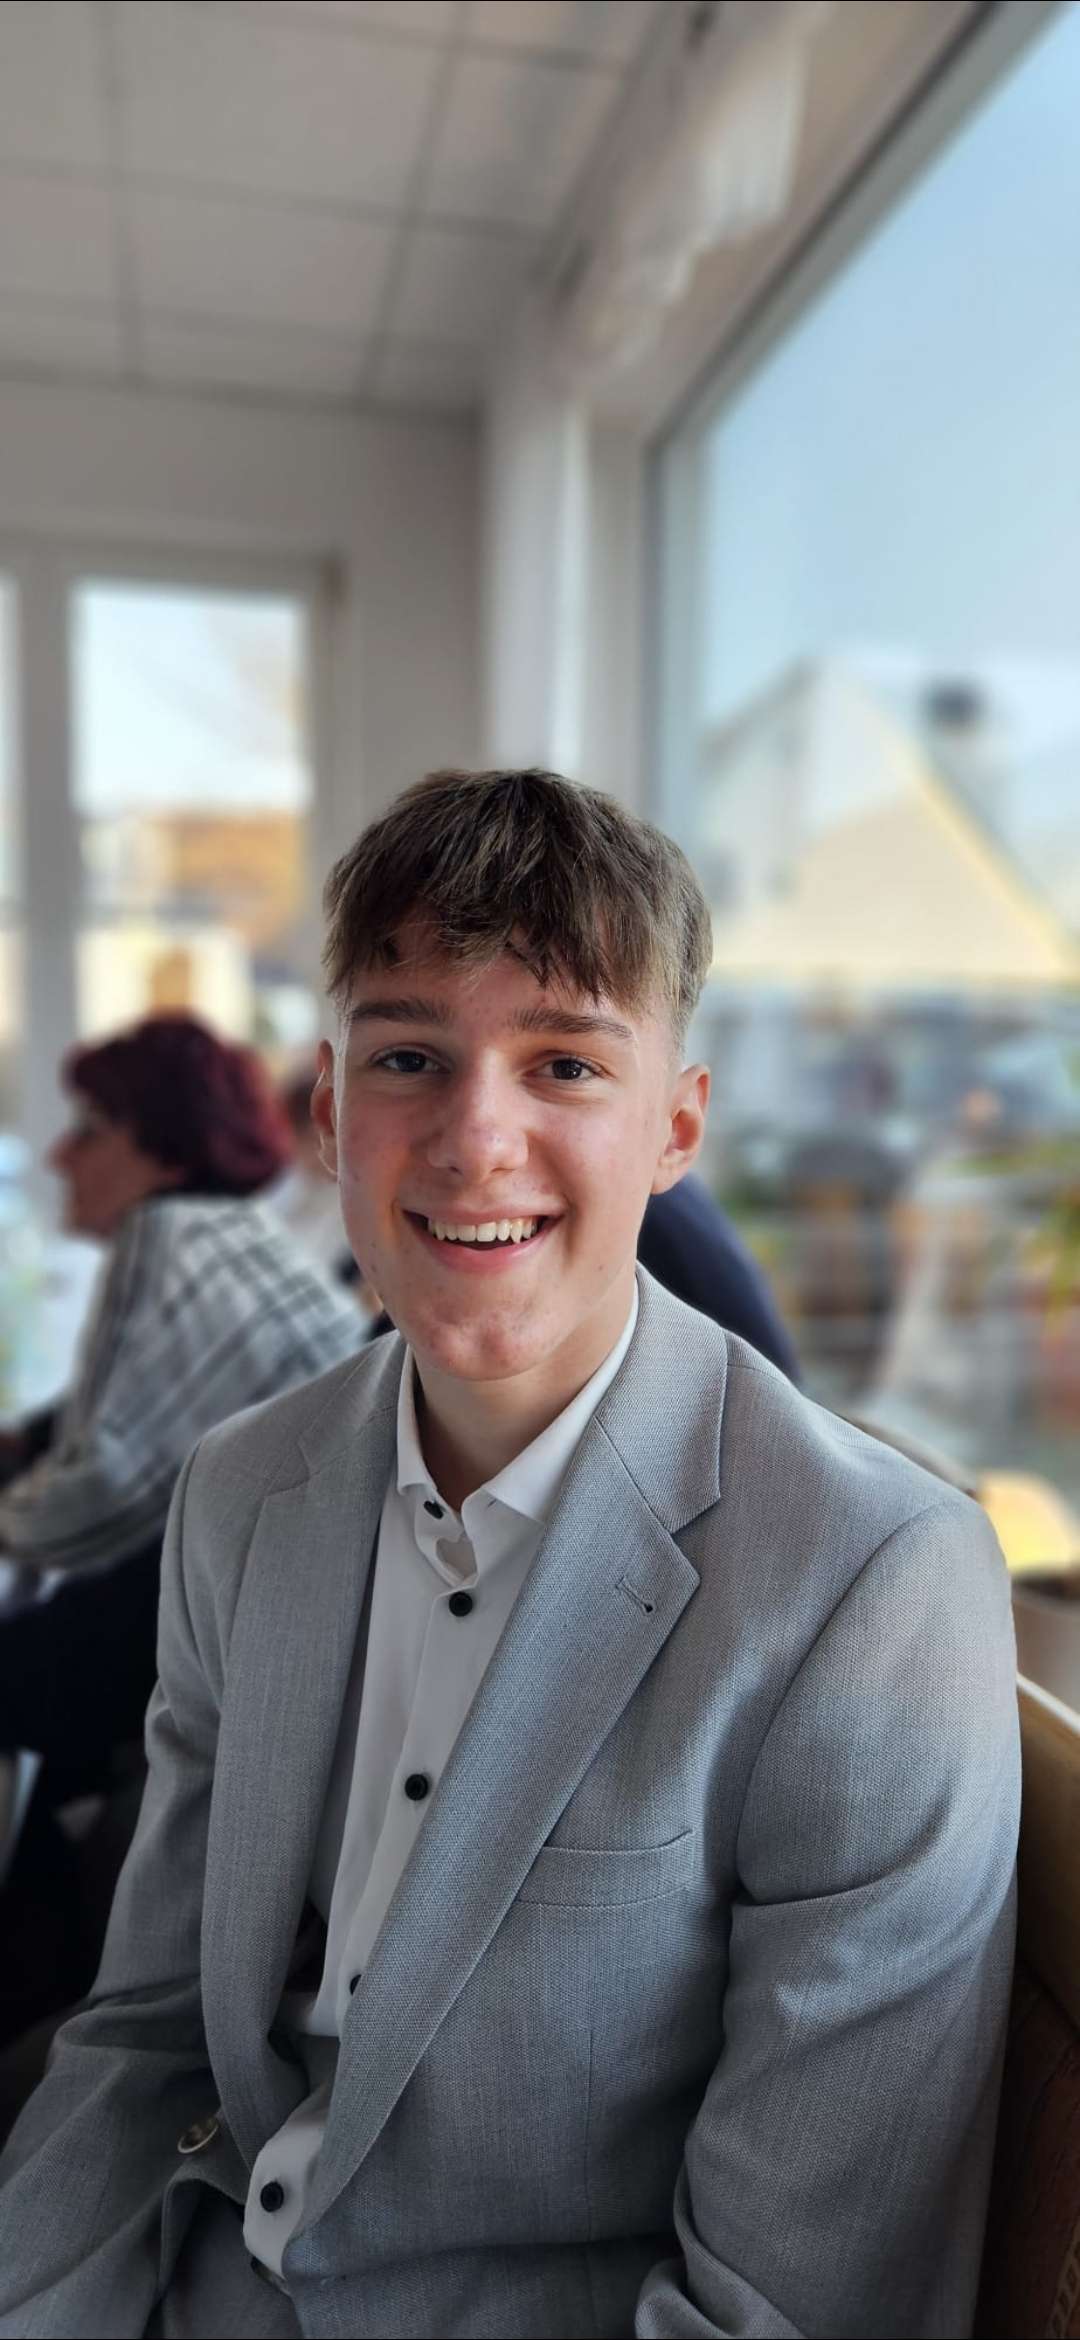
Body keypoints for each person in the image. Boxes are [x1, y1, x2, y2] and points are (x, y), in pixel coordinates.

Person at [0, 772, 1018, 2340]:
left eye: (565, 1063)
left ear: (676, 1127)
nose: (477, 1139)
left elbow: (789, 2308)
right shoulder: (244, 1488)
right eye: (410, 1057)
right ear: (330, 1112)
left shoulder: (872, 1583)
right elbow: (142, 2038)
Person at [0, 1015, 368, 1781]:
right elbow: (101, 1430)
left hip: (242, 1640)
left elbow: (97, 1493)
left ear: (165, 1153)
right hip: (269, 1617)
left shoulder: (165, 1236)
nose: (60, 1155)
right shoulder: (231, 1234)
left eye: (91, 1130)